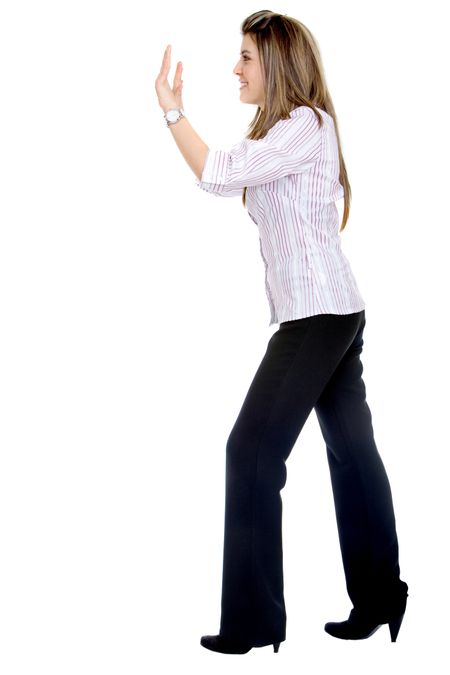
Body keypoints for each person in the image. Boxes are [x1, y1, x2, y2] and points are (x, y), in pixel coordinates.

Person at [155, 10, 409, 656]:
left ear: (278, 63)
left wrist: (171, 114)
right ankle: (382, 595)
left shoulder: (306, 125)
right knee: (352, 452)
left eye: (245, 57)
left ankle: (253, 619)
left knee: (251, 451)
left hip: (318, 317)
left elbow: (216, 172)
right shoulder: (286, 133)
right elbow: (230, 175)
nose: (235, 69)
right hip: (330, 311)